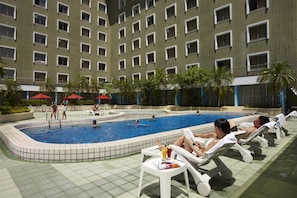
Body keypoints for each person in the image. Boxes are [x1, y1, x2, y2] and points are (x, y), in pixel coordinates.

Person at [156, 118, 231, 157]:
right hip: (199, 151)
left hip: (196, 156)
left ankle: (164, 148)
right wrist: (201, 147)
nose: (214, 129)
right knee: (181, 145)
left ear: (220, 129)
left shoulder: (216, 141)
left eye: (215, 128)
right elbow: (206, 152)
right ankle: (164, 147)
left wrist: (191, 145)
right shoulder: (222, 138)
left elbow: (201, 155)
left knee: (184, 138)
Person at [193, 116, 270, 139]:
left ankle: (198, 135)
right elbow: (245, 132)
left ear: (259, 124)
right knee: (231, 121)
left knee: (213, 134)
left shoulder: (253, 129)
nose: (254, 120)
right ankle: (198, 135)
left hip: (234, 135)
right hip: (236, 133)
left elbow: (244, 135)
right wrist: (240, 129)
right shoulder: (255, 129)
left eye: (256, 120)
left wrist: (232, 132)